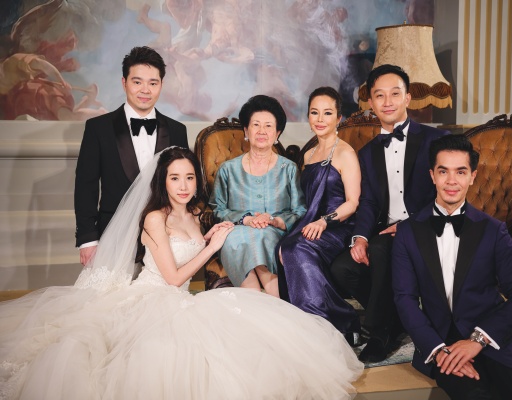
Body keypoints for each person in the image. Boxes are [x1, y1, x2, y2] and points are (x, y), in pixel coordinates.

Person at [0, 147, 363, 399]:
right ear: (163, 181)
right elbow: (173, 278)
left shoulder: (191, 215)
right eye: (175, 178)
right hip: (152, 297)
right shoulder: (154, 218)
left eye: (189, 177)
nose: (184, 186)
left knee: (247, 337)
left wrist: (212, 233)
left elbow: (191, 250)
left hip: (182, 299)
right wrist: (211, 247)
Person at [392, 134, 512, 399]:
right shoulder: (407, 232)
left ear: (472, 176)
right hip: (442, 342)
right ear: (432, 176)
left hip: (493, 334)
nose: (451, 181)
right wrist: (438, 350)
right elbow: (404, 299)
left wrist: (477, 341)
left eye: (460, 172)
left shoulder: (494, 230)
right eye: (443, 171)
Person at [330, 64, 450, 362]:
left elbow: (447, 194)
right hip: (385, 231)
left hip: (429, 227)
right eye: (379, 95)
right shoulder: (367, 153)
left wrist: (409, 226)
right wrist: (359, 237)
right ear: (370, 103)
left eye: (395, 94)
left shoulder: (436, 140)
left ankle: (379, 332)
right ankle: (398, 318)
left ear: (408, 98)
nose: (387, 102)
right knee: (342, 267)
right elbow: (368, 202)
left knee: (383, 250)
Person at [74, 46, 188, 266]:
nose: (145, 90)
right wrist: (88, 240)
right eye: (137, 82)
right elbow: (86, 186)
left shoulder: (177, 130)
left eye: (153, 83)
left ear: (161, 85)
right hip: (113, 235)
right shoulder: (98, 128)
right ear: (124, 82)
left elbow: (183, 186)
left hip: (166, 237)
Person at [278, 87, 361, 338]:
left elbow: (353, 203)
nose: (320, 119)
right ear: (308, 116)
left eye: (327, 113)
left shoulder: (346, 153)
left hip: (339, 226)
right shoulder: (309, 154)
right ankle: (303, 318)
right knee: (282, 246)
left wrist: (325, 222)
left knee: (298, 248)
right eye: (315, 112)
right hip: (312, 222)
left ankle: (327, 322)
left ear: (339, 118)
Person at [209, 95, 306, 296]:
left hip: (274, 233)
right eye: (256, 125)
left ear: (277, 133)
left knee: (262, 237)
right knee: (236, 238)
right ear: (246, 130)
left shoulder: (289, 169)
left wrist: (275, 221)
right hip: (236, 233)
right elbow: (218, 209)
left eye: (268, 126)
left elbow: (300, 210)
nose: (262, 131)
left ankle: (258, 305)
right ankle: (270, 303)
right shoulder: (228, 170)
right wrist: (246, 219)